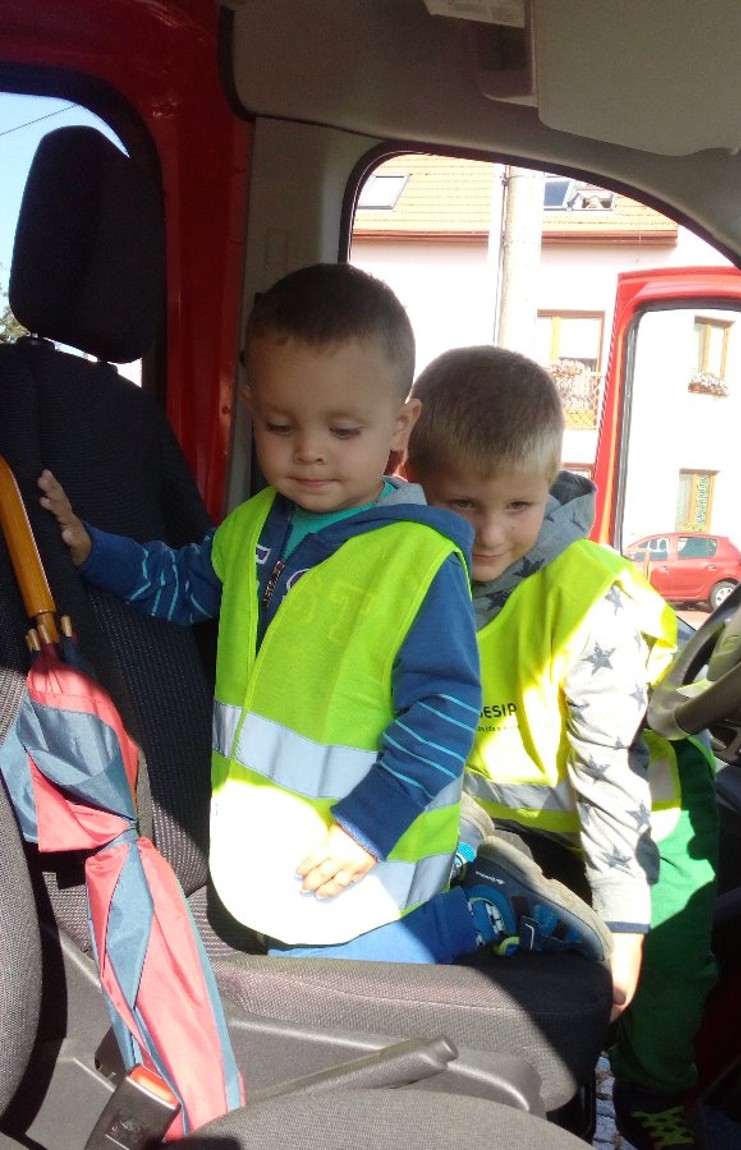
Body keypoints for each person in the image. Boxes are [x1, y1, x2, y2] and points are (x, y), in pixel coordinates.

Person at [38, 263, 610, 966]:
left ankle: (487, 908)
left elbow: (445, 712)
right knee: (275, 938)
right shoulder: (254, 526)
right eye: (281, 425)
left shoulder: (418, 560)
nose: (309, 450)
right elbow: (184, 585)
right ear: (251, 407)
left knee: (304, 962)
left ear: (400, 426)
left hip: (373, 844)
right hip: (278, 836)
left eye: (343, 429)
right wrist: (94, 550)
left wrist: (368, 828)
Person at [405, 345, 720, 1150]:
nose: (490, 533)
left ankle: (655, 1093)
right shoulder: (405, 570)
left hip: (637, 812)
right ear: (413, 478)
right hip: (509, 815)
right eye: (461, 504)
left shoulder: (588, 596)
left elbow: (607, 771)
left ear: (551, 485)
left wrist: (624, 925)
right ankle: (538, 1088)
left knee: (663, 967)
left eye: (518, 505)